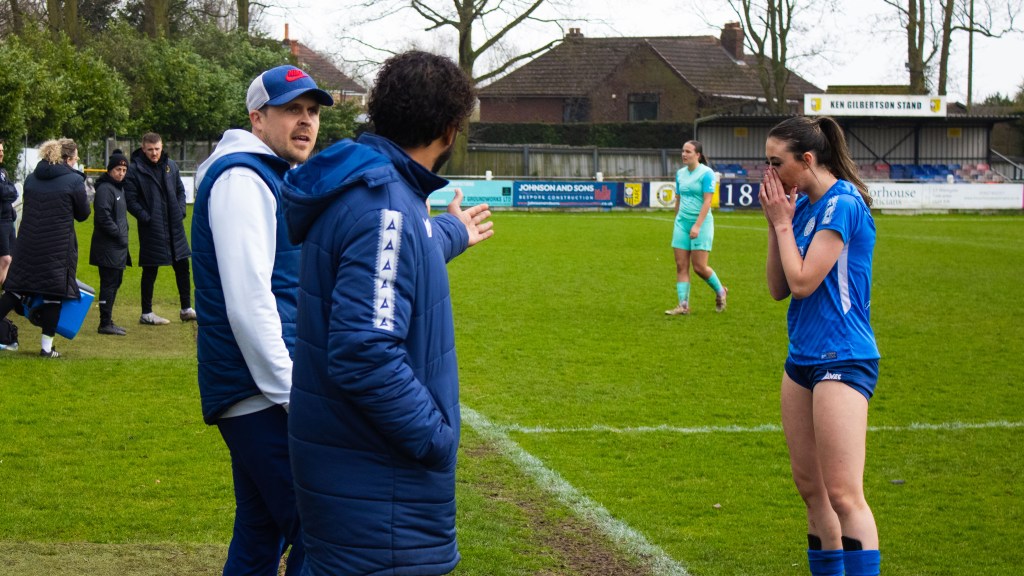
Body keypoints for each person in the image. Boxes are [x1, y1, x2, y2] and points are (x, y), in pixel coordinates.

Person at [283, 50, 494, 575]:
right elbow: (365, 352)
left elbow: (397, 254)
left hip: (359, 487)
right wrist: (435, 438)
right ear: (448, 131)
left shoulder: (378, 192)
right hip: (381, 499)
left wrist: (451, 231)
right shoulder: (385, 207)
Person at [192, 64, 334, 576]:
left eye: (312, 112)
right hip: (261, 393)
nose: (306, 122)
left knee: (259, 537)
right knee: (323, 536)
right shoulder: (242, 177)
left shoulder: (266, 173)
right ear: (258, 118)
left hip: (257, 390)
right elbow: (249, 302)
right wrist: (295, 394)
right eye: (292, 110)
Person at [759, 115, 881, 576]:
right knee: (811, 488)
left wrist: (784, 226)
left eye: (777, 162)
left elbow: (805, 281)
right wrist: (777, 226)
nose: (769, 173)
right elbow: (778, 288)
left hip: (844, 357)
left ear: (807, 159)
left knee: (844, 494)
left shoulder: (842, 203)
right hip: (802, 358)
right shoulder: (804, 206)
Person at [0, 139, 89, 358]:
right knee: (52, 296)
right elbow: (83, 214)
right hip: (57, 247)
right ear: (67, 158)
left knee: (14, 290)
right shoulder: (74, 181)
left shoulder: (31, 179)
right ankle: (46, 348)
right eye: (76, 158)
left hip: (28, 243)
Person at [124, 132, 196, 325]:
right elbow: (130, 201)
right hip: (152, 228)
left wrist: (180, 210)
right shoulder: (134, 170)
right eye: (150, 150)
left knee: (182, 266)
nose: (154, 153)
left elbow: (180, 190)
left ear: (162, 147)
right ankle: (146, 313)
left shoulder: (170, 166)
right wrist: (146, 217)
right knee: (150, 269)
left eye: (157, 149)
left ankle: (186, 308)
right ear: (143, 148)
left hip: (175, 225)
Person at [665, 140, 728, 316]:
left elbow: (708, 201)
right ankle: (683, 305)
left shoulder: (706, 173)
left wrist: (697, 226)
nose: (684, 154)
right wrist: (677, 218)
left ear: (698, 155)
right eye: (683, 151)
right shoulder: (680, 174)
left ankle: (721, 291)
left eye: (688, 151)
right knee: (680, 265)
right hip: (682, 223)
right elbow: (678, 198)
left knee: (699, 267)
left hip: (701, 223)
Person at [90, 150, 132, 336]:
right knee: (108, 283)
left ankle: (108, 320)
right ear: (109, 170)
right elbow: (103, 217)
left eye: (124, 169)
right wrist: (118, 234)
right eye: (118, 169)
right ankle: (104, 323)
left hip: (117, 247)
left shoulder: (119, 188)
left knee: (115, 282)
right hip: (108, 247)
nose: (121, 173)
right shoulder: (105, 189)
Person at [0, 138, 18, 288]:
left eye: (2, 151)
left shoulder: (3, 172)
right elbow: (3, 191)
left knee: (11, 259)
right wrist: (7, 191)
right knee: (5, 259)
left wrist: (7, 191)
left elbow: (14, 191)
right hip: (0, 221)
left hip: (8, 219)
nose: (1, 154)